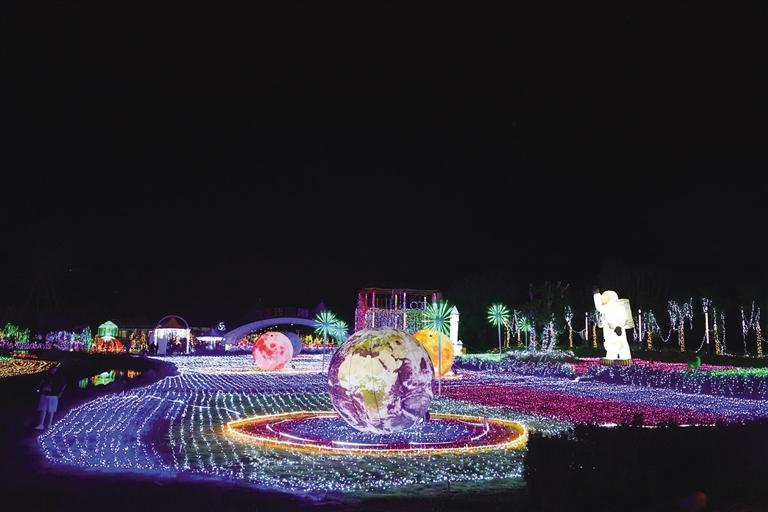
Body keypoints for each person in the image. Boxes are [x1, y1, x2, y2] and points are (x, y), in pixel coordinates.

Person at [35, 365, 66, 430]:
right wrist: (39, 390)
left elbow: (64, 384)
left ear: (56, 369)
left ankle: (49, 424)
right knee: (43, 410)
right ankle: (41, 424)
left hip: (53, 395)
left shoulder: (59, 376)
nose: (53, 370)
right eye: (52, 369)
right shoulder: (45, 375)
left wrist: (60, 392)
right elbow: (40, 383)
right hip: (44, 394)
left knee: (51, 410)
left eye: (54, 369)